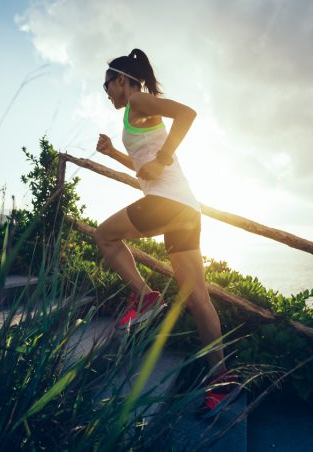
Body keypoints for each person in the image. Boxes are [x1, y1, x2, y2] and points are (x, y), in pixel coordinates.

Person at [94, 48, 240, 417]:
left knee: (106, 236)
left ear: (122, 80)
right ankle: (222, 380)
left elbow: (187, 115)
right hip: (185, 210)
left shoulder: (139, 99)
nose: (106, 91)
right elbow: (145, 171)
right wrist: (114, 153)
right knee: (198, 299)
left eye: (107, 83)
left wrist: (162, 158)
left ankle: (144, 297)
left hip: (168, 204)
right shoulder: (134, 114)